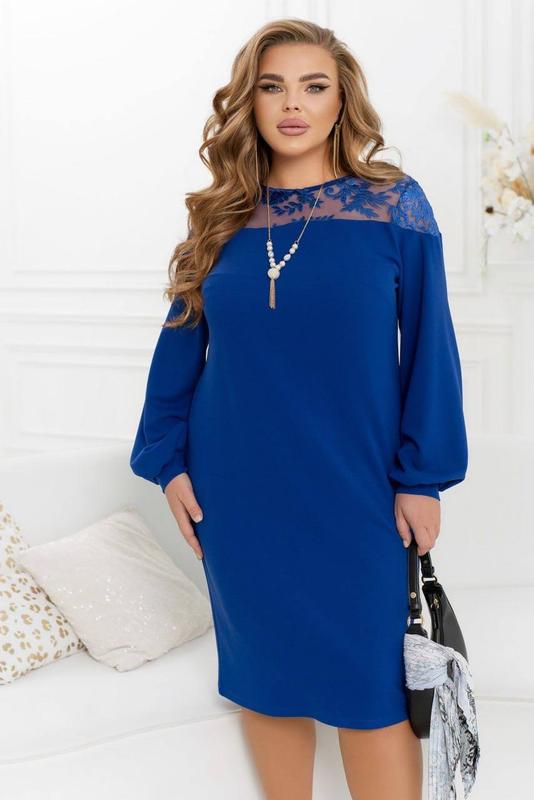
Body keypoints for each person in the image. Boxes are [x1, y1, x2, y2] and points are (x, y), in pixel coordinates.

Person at [129, 18, 468, 800]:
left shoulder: (394, 205)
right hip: (237, 497)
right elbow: (179, 353)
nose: (292, 105)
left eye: (314, 86)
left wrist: (423, 477)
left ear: (342, 100)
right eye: (272, 87)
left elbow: (431, 348)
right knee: (267, 678)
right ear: (248, 103)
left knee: (372, 688)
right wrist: (168, 464)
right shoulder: (219, 216)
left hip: (357, 492)